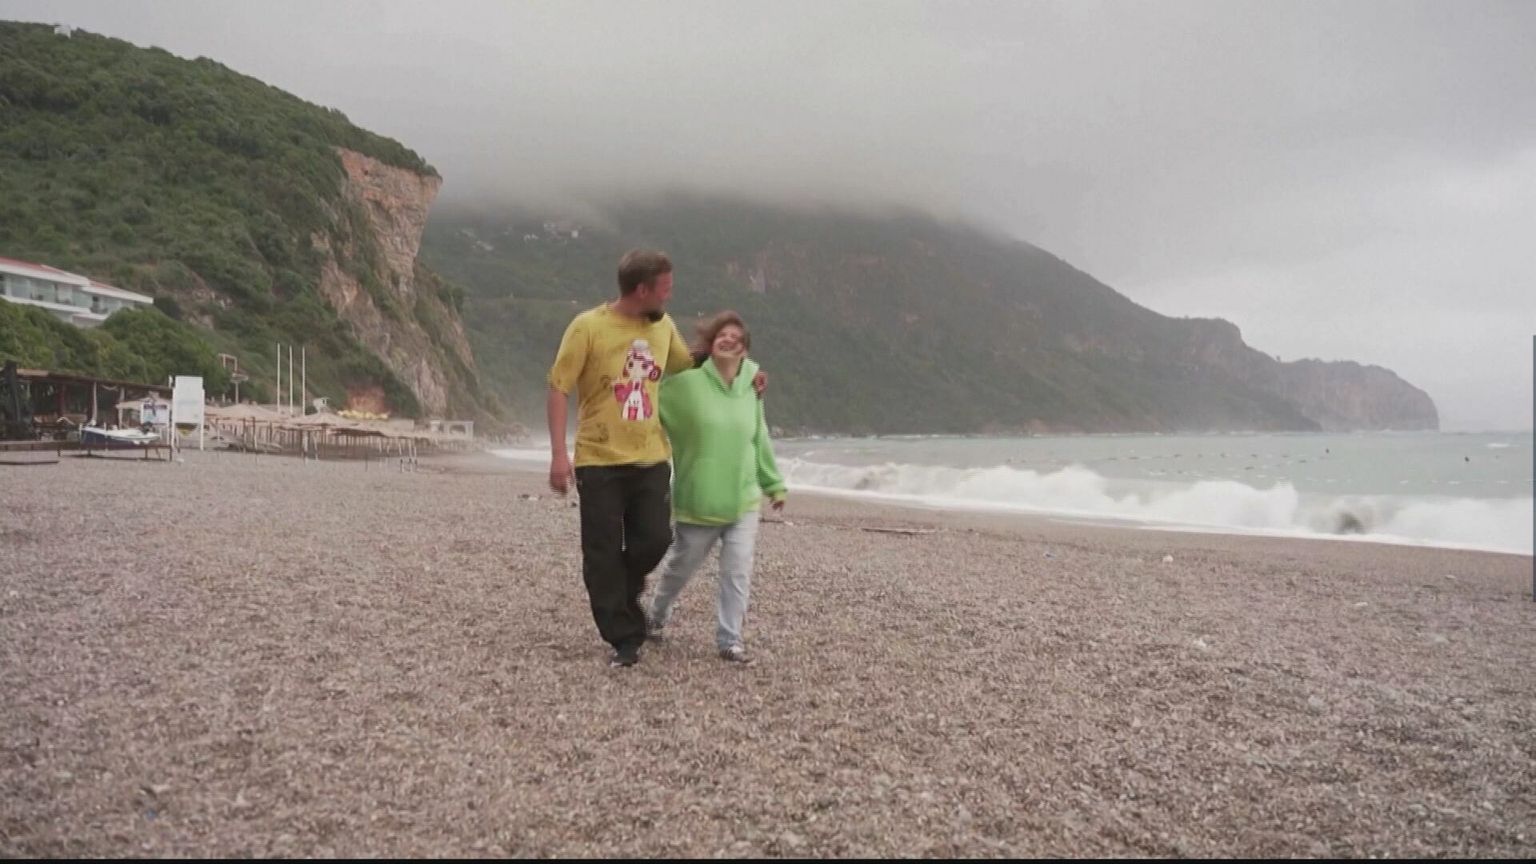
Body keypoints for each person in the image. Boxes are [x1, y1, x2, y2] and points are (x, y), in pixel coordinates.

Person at [546, 250, 764, 668]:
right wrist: (558, 454)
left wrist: (747, 372)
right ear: (642, 289)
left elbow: (690, 364)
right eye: (665, 288)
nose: (670, 295)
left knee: (656, 540)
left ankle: (620, 591)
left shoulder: (663, 327)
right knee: (602, 551)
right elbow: (558, 387)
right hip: (599, 459)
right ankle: (625, 637)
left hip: (651, 457)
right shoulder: (587, 327)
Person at [647, 311, 786, 664]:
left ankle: (730, 640)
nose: (728, 340)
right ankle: (656, 615)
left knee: (737, 571)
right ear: (711, 344)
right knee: (680, 568)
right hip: (700, 500)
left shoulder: (751, 389)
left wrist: (773, 483)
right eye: (722, 335)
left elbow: (759, 438)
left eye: (736, 338)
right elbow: (647, 403)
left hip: (743, 499)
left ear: (744, 351)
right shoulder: (686, 385)